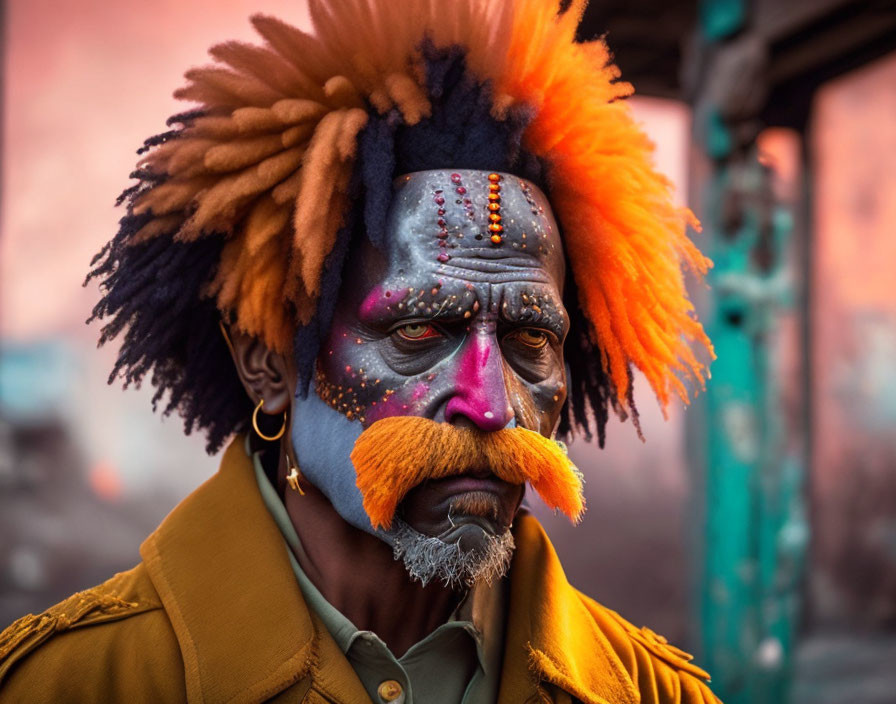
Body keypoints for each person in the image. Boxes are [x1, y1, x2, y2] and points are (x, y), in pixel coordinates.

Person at [0, 1, 719, 702]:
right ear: (269, 362)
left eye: (532, 339)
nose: (492, 404)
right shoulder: (77, 683)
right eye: (417, 333)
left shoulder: (653, 693)